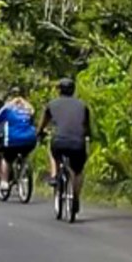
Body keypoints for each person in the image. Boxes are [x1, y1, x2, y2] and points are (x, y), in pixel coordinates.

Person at [37, 77, 90, 212]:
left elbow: (42, 124)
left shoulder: (52, 104)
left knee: (53, 152)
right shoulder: (82, 105)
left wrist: (39, 133)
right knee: (78, 171)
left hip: (59, 142)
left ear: (59, 90)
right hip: (78, 143)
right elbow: (86, 127)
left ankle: (54, 175)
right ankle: (76, 197)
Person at [0, 86, 37, 196]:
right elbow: (33, 113)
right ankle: (23, 169)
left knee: (6, 158)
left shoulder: (8, 109)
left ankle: (4, 181)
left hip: (13, 140)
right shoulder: (28, 109)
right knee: (24, 154)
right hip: (30, 140)